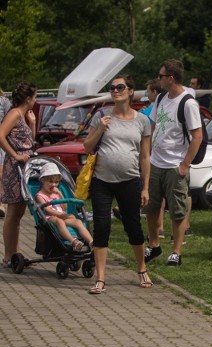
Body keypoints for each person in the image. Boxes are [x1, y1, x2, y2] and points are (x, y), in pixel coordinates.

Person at [84, 74, 152, 294]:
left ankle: (141, 269)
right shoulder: (101, 115)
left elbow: (144, 156)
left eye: (120, 87)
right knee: (101, 227)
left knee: (133, 227)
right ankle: (101, 278)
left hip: (130, 181)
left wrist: (145, 187)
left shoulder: (142, 120)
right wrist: (101, 128)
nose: (115, 91)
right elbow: (87, 146)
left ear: (131, 91)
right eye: (112, 88)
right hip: (102, 181)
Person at [145, 59, 203, 266]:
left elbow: (197, 135)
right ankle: (153, 246)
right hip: (155, 163)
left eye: (161, 76)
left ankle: (176, 252)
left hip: (175, 164)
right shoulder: (160, 98)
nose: (158, 79)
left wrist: (185, 164)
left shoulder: (188, 103)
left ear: (171, 78)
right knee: (151, 207)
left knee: (177, 210)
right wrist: (147, 154)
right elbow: (152, 126)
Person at [0, 81, 37, 268]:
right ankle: (8, 256)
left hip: (25, 168)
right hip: (14, 168)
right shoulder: (14, 113)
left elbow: (31, 140)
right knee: (13, 212)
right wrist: (14, 154)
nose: (35, 101)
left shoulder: (24, 115)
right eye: (35, 97)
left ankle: (15, 253)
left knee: (19, 213)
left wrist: (33, 123)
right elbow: (0, 134)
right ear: (28, 99)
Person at [35, 162, 93, 251]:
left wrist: (60, 193)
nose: (54, 185)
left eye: (56, 182)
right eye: (50, 182)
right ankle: (74, 242)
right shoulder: (40, 195)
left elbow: (64, 208)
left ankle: (91, 241)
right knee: (59, 221)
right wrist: (61, 215)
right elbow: (47, 210)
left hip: (61, 216)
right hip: (50, 217)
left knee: (78, 221)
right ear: (43, 180)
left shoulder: (56, 194)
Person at [0, 88, 13, 218]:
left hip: (1, 142)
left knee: (1, 174)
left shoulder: (3, 101)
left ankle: (1, 205)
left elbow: (11, 120)